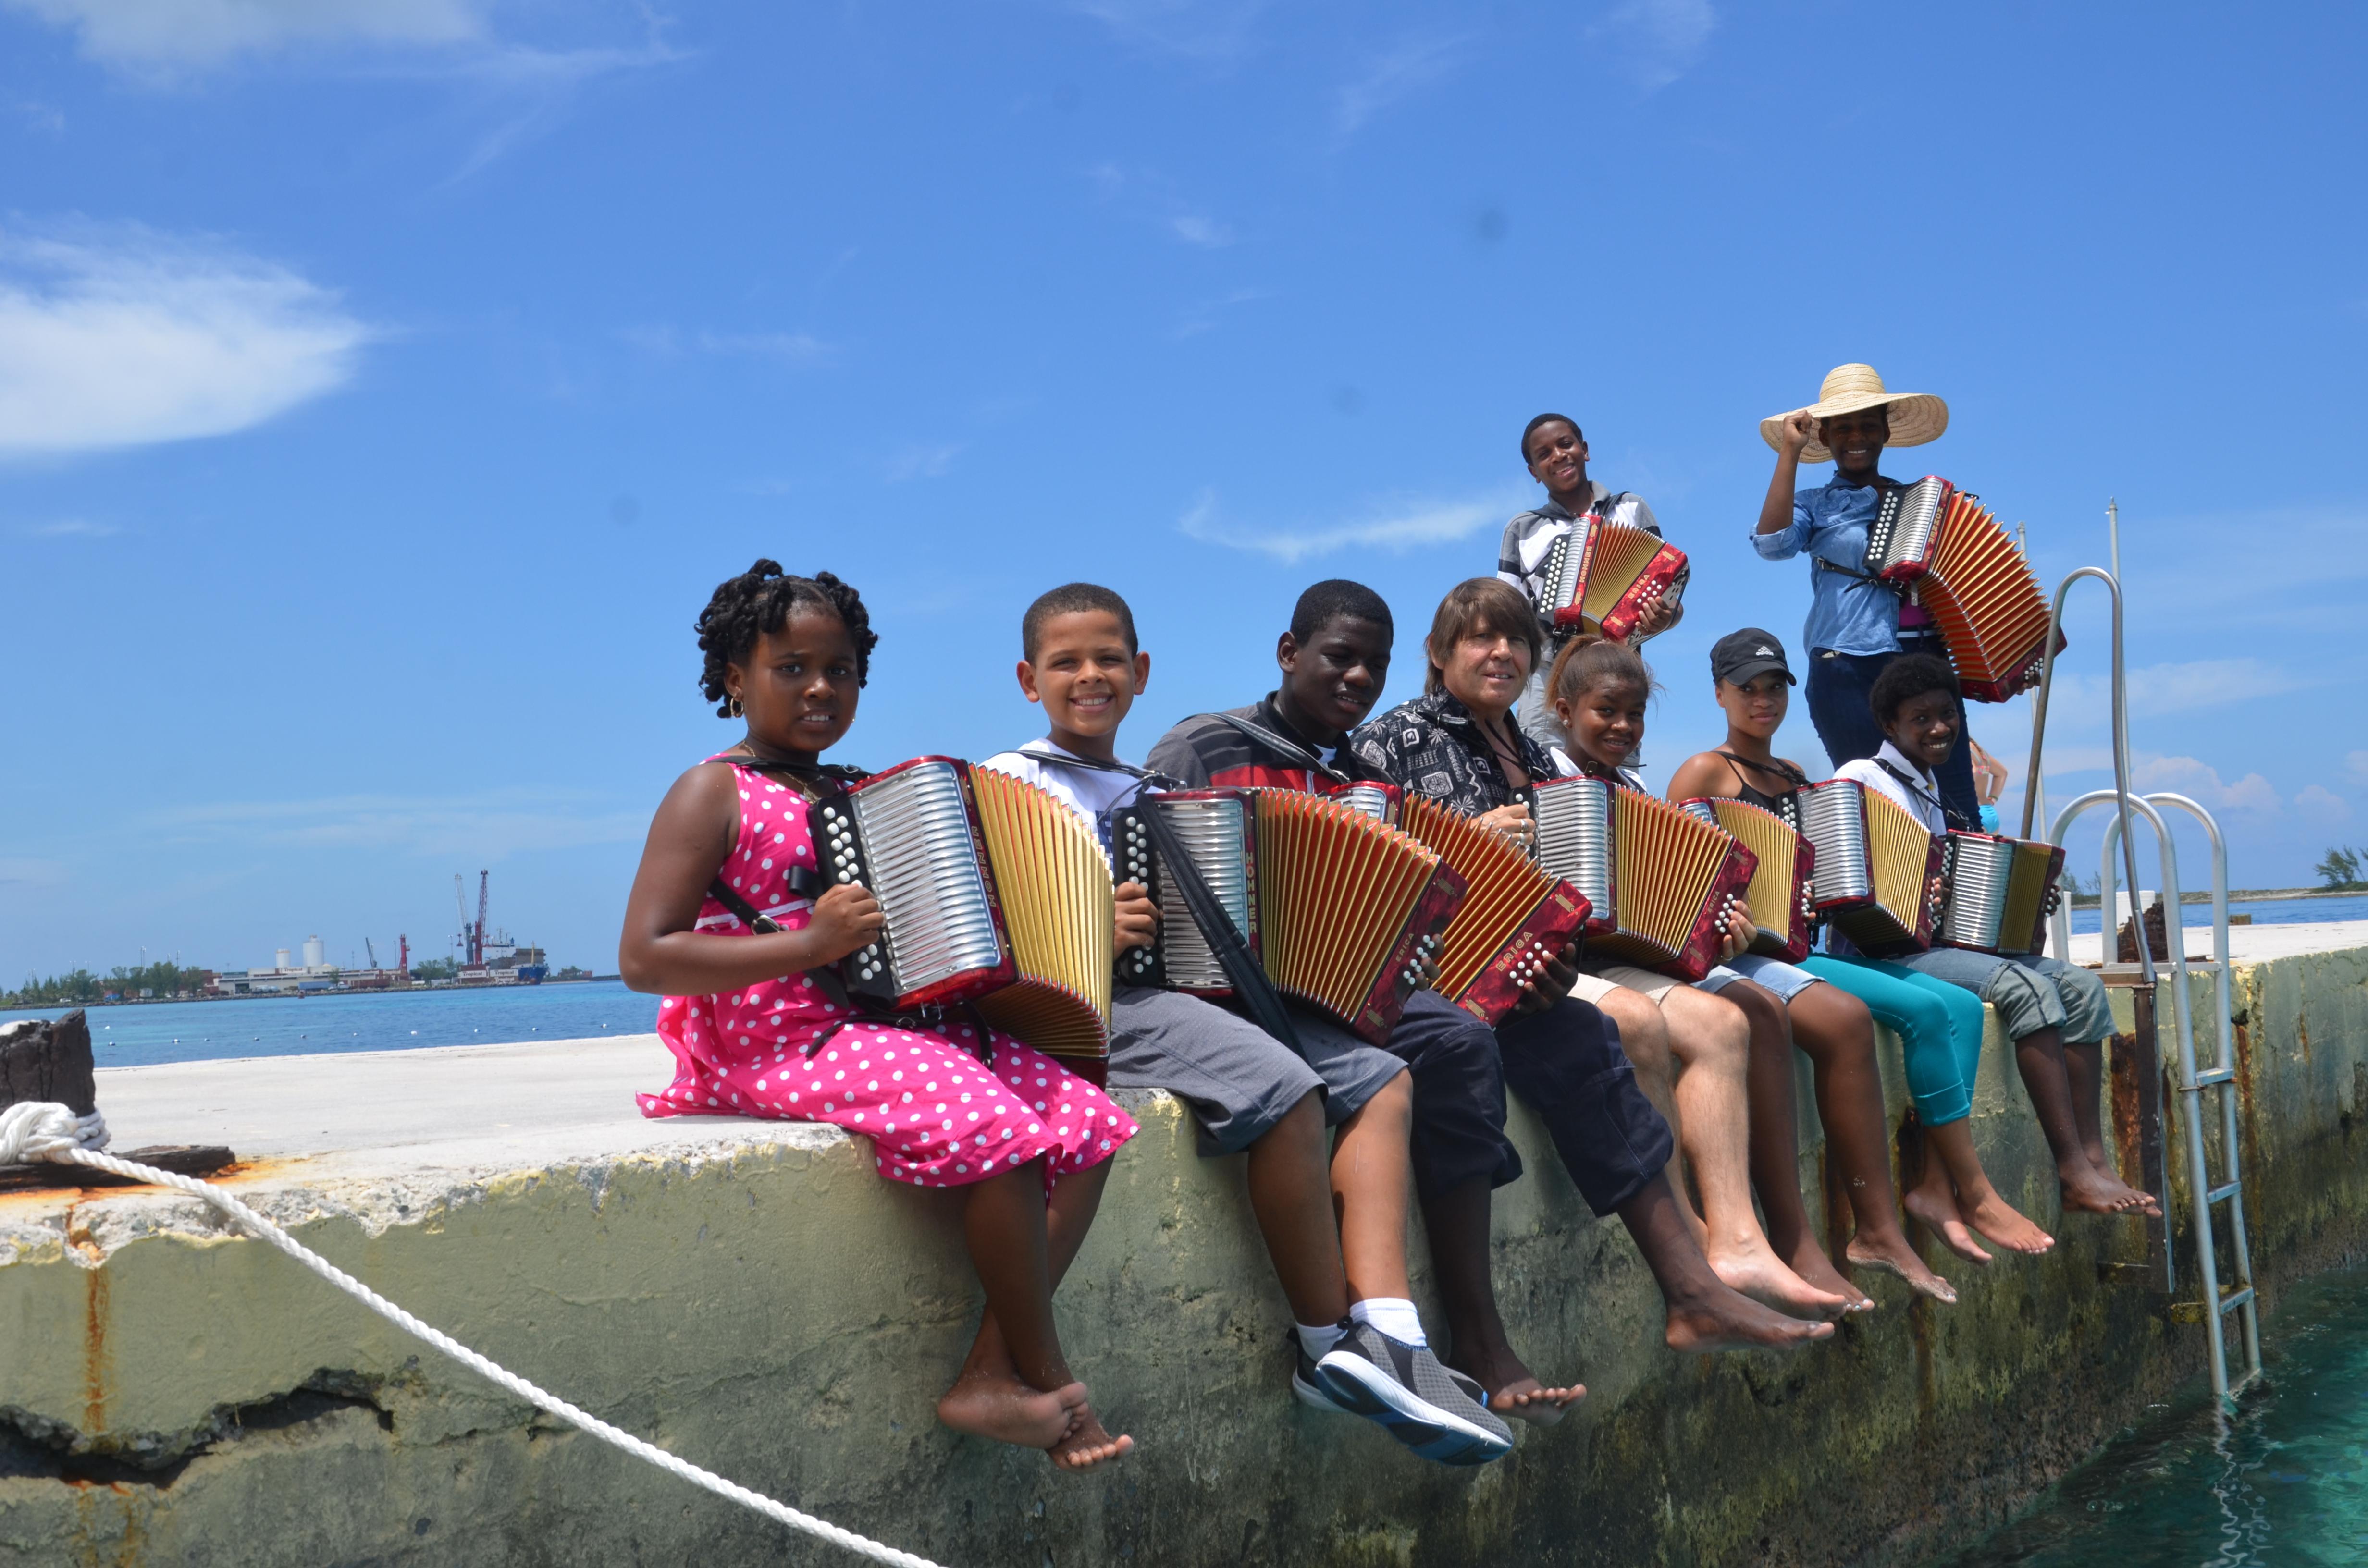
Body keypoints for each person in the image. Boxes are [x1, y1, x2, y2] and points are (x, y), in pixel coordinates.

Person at [1159, 580, 1835, 1389]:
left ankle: (1689, 1289)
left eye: (1370, 664)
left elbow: (1415, 909)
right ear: (1288, 652)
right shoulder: (1223, 747)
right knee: (1460, 1040)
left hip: (1391, 985)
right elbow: (1160, 869)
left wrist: (1534, 961)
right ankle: (1479, 1339)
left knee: (1579, 1031)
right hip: (1277, 1003)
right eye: (1339, 657)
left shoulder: (1361, 771)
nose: (1356, 678)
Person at [617, 561, 1137, 1472]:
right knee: (1001, 1130)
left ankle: (987, 1371)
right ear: (735, 676)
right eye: (792, 668)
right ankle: (1048, 1376)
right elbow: (644, 955)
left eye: (842, 670)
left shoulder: (852, 792)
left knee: (1089, 1121)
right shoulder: (712, 791)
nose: (821, 687)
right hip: (774, 1041)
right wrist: (808, 945)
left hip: (875, 1030)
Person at [981, 582, 1516, 1465]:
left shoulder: (1152, 789)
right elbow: (980, 917)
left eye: (1109, 659)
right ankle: (1323, 1344)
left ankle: (1391, 1331)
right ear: (1026, 678)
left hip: (1191, 994)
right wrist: (1079, 922)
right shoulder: (1012, 779)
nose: (1090, 676)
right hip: (1095, 1002)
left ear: (1141, 671)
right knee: (1283, 1083)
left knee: (1381, 1076)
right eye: (1066, 662)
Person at [1349, 577, 1850, 1329]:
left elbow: (1597, 888)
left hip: (1556, 960)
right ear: (1438, 652)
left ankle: (1737, 1240)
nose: (1502, 653)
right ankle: (1689, 1243)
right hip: (1464, 972)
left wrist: (1710, 919)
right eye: (1480, 638)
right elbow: (1366, 865)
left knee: (1725, 1024)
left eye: (1516, 639)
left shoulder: (1535, 756)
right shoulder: (1392, 739)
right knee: (1635, 1024)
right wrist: (1466, 845)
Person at [1666, 628, 2045, 1275]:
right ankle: (1956, 1197)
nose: (1763, 701)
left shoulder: (1795, 778)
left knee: (1953, 1004)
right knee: (1916, 1013)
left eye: (1774, 688)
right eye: (1747, 688)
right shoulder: (1705, 771)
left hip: (1797, 946)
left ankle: (1935, 1185)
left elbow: (1821, 877)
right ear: (1721, 694)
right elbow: (1678, 875)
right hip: (1745, 955)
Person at [1837, 653, 2160, 1224]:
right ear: (1889, 726)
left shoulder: (1928, 786)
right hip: (1883, 954)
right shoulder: (1860, 780)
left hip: (1938, 947)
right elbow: (1851, 885)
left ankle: (2092, 1158)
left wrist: (2024, 898)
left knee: (2081, 988)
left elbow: (1954, 892)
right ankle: (2069, 1168)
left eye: (1947, 714)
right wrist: (1917, 889)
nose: (1938, 728)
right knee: (2026, 990)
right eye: (1920, 719)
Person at [1750, 363, 1987, 825]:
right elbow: (1772, 545)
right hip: (1846, 669)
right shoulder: (1815, 504)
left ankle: (1958, 896)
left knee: (1959, 811)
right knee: (1873, 812)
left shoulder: (1926, 502)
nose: (1856, 436)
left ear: (1884, 431)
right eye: (1843, 428)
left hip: (1927, 667)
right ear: (1829, 438)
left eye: (1866, 424)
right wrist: (1790, 454)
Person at [1497, 412, 1682, 751]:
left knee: (1616, 778)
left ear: (1585, 449)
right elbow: (1508, 615)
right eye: (1544, 454)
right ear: (1533, 473)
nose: (1558, 455)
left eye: (1566, 444)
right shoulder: (1523, 529)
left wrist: (1665, 618)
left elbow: (1668, 596)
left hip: (1618, 671)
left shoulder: (1631, 509)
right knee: (1545, 771)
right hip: (1546, 674)